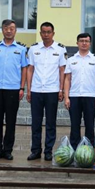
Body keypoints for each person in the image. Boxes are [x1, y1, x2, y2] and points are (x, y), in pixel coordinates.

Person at [0, 19, 28, 161]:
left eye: (11, 28)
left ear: (15, 31)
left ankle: (8, 150)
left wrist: (22, 87)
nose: (9, 31)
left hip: (13, 89)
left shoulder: (21, 49)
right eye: (6, 28)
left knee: (11, 121)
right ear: (2, 30)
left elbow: (24, 68)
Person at [26, 22, 67, 161]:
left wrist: (61, 89)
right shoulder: (34, 49)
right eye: (43, 32)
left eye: (49, 32)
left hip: (52, 90)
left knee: (50, 123)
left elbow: (62, 70)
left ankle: (48, 151)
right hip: (36, 89)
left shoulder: (60, 49)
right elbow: (30, 69)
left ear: (53, 33)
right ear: (40, 33)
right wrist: (28, 89)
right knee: (36, 123)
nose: (46, 35)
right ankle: (35, 150)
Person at [63, 33, 95, 146]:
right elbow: (67, 79)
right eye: (81, 41)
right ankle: (74, 148)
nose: (84, 43)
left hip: (90, 96)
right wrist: (66, 97)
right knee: (74, 125)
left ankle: (89, 149)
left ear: (90, 43)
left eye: (86, 41)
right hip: (74, 96)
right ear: (77, 43)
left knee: (89, 125)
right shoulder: (71, 60)